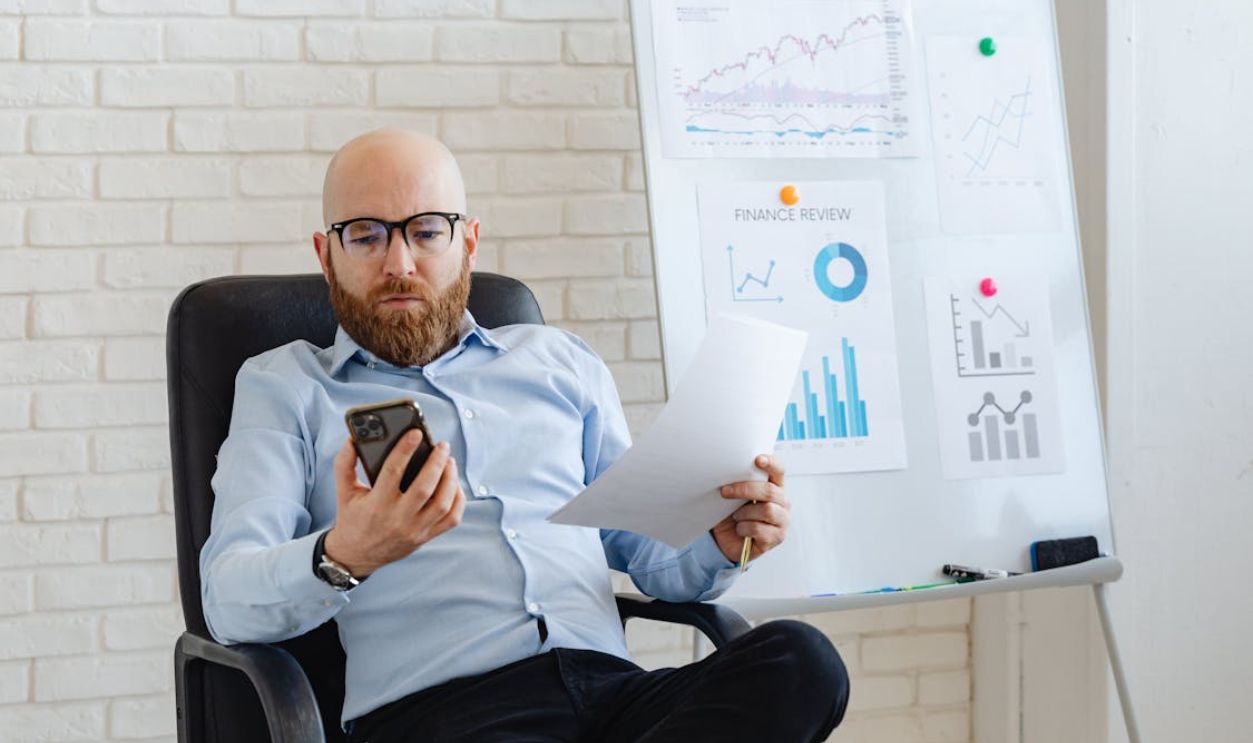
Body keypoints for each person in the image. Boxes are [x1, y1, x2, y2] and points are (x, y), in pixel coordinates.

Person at [200, 129, 849, 742]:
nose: (399, 262)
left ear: (469, 242)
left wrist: (716, 541)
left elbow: (642, 549)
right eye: (365, 235)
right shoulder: (286, 386)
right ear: (326, 254)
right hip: (444, 713)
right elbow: (228, 599)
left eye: (427, 231)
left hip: (614, 696)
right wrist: (348, 552)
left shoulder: (559, 361)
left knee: (801, 660)